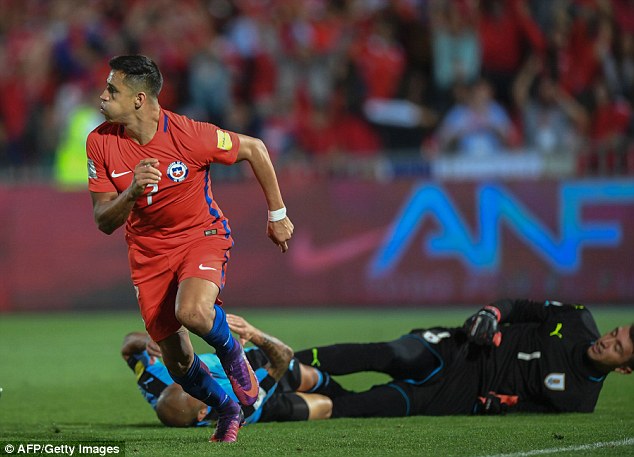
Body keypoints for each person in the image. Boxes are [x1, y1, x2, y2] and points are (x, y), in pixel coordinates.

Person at [86, 55, 294, 442]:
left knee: (194, 312)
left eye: (112, 90)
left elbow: (255, 148)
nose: (102, 96)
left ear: (139, 99)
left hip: (200, 235)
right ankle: (228, 408)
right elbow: (103, 221)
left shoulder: (188, 134)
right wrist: (131, 191)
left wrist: (277, 214)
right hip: (148, 255)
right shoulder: (99, 142)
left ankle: (234, 355)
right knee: (178, 360)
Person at [294, 299, 633, 417]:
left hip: (457, 396)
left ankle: (293, 389)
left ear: (624, 368)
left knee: (360, 407)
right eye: (614, 332)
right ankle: (279, 362)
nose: (606, 341)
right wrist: (491, 314)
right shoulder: (578, 319)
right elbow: (520, 306)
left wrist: (504, 403)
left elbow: (529, 405)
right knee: (385, 354)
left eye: (617, 348)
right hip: (459, 347)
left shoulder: (579, 400)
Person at [121, 314, 331, 428]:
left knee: (310, 376)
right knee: (326, 404)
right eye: (197, 392)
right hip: (260, 399)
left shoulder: (153, 382)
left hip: (249, 366)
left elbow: (128, 347)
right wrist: (256, 335)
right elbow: (279, 363)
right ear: (203, 413)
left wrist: (146, 340)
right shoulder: (233, 412)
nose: (193, 385)